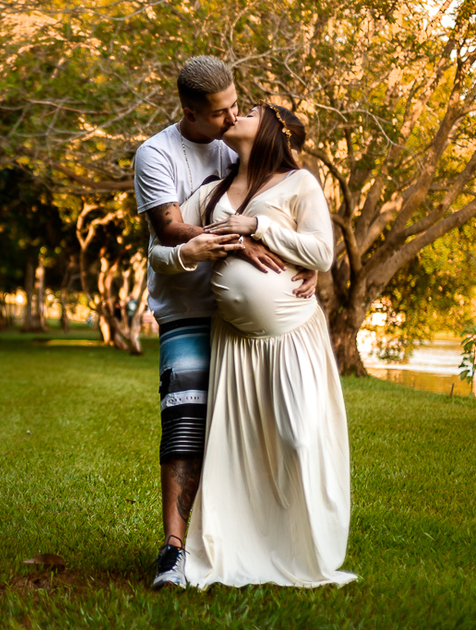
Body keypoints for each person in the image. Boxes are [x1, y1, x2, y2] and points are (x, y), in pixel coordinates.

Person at [148, 103, 356, 589]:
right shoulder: (213, 193)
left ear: (272, 131)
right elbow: (159, 251)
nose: (238, 114)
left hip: (291, 336)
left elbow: (322, 252)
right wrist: (189, 252)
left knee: (296, 439)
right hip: (234, 346)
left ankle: (303, 550)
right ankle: (243, 549)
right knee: (239, 456)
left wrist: (257, 228)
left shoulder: (299, 184)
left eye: (252, 111)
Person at [133, 56, 316, 589]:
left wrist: (307, 258)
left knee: (255, 432)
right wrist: (240, 240)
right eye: (219, 112)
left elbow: (288, 200)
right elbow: (169, 230)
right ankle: (173, 552)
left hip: (244, 324)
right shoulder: (156, 154)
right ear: (189, 111)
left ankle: (251, 545)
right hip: (187, 311)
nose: (233, 117)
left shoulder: (236, 145)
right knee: (185, 424)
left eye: (236, 105)